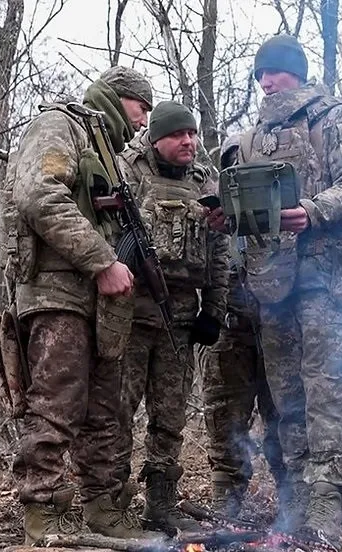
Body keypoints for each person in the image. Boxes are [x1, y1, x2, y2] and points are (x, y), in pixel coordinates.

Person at [208, 34, 342, 540]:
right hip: (271, 284)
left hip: (325, 278)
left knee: (326, 393)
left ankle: (330, 501)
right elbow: (243, 204)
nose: (266, 81)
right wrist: (224, 217)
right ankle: (299, 499)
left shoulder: (334, 118)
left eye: (275, 71)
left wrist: (314, 212)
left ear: (295, 73)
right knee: (287, 399)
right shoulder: (248, 139)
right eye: (261, 73)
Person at [0, 66, 156, 544]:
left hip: (101, 305)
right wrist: (103, 260)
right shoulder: (61, 125)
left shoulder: (112, 153)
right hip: (57, 293)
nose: (145, 120)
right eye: (141, 106)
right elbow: (37, 194)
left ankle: (102, 509)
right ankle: (41, 517)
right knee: (55, 405)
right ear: (115, 97)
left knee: (103, 412)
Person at [113, 101, 229, 534]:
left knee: (170, 419)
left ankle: (159, 507)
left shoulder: (205, 180)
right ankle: (111, 504)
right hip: (130, 318)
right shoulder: (127, 170)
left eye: (193, 134)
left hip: (179, 321)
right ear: (157, 137)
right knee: (117, 414)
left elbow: (219, 252)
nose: (189, 142)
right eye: (179, 135)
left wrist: (213, 310)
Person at [200, 135, 289, 521]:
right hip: (229, 319)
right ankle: (226, 499)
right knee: (224, 408)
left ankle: (293, 498)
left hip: (276, 317)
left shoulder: (281, 203)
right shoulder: (212, 203)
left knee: (283, 410)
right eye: (233, 164)